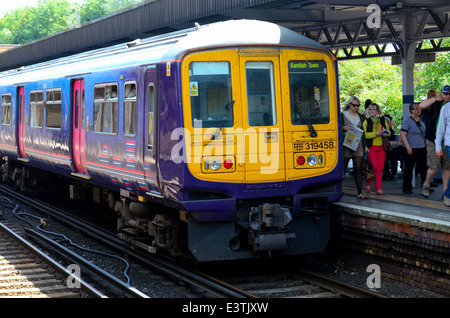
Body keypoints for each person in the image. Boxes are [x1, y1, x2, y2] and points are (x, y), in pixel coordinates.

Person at [419, 88, 450, 197]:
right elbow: (421, 106)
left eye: (449, 94)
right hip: (432, 139)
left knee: (447, 167)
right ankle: (426, 184)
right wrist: (436, 98)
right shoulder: (436, 104)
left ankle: (445, 193)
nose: (447, 96)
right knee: (434, 166)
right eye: (445, 93)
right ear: (441, 93)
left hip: (446, 141)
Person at [341, 96, 367, 199]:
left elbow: (363, 132)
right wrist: (343, 128)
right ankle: (338, 189)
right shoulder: (342, 115)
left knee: (358, 167)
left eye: (358, 105)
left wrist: (365, 146)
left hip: (358, 143)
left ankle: (360, 192)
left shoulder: (360, 116)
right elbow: (336, 126)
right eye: (354, 105)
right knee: (343, 167)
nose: (356, 107)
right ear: (349, 104)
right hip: (346, 143)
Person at [400, 102, 428, 194]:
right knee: (408, 169)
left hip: (421, 148)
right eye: (416, 108)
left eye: (419, 108)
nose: (419, 110)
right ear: (411, 110)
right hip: (411, 148)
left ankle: (425, 188)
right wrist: (408, 147)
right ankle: (407, 188)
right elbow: (403, 135)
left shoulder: (421, 121)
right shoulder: (407, 121)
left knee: (424, 169)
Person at [363, 103, 390, 195]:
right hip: (371, 147)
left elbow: (389, 132)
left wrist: (386, 133)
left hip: (382, 147)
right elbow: (364, 135)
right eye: (370, 109)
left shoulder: (382, 120)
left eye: (374, 109)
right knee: (374, 166)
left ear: (378, 111)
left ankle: (378, 188)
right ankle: (368, 183)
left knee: (380, 168)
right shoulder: (366, 121)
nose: (371, 111)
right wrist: (375, 134)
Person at [434, 85, 450, 206]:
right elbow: (440, 129)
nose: (448, 95)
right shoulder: (445, 108)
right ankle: (448, 195)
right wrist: (438, 146)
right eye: (446, 93)